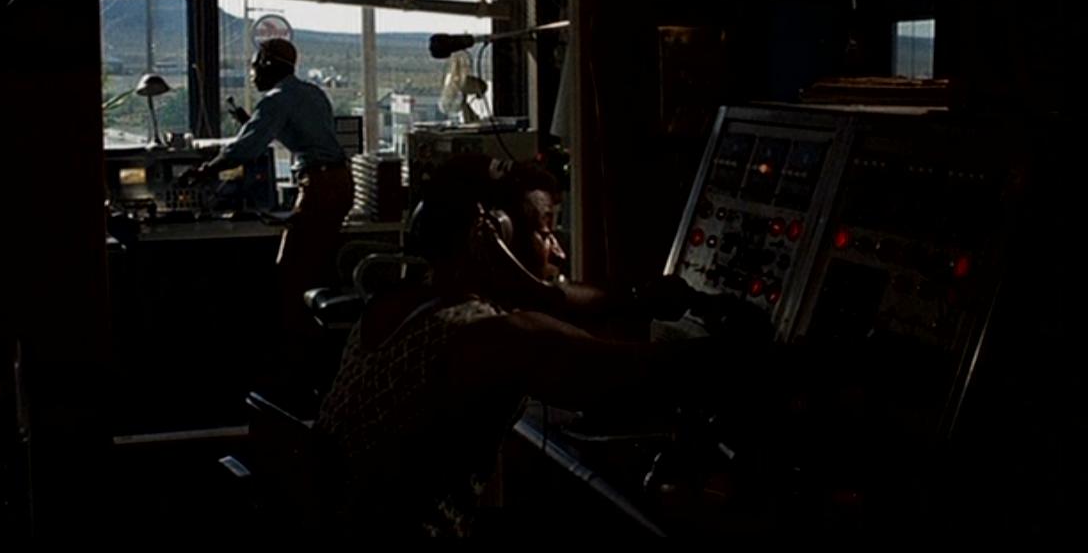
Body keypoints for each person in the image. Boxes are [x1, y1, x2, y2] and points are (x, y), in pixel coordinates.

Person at [316, 155, 769, 538]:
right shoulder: (485, 335)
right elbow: (632, 378)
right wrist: (762, 351)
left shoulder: (394, 306)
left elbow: (560, 298)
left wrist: (639, 298)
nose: (559, 251)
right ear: (494, 237)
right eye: (545, 231)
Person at [186, 38, 354, 354]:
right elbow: (304, 133)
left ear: (266, 64)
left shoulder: (276, 100)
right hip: (340, 181)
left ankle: (297, 353)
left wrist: (205, 171)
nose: (251, 75)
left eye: (253, 66)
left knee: (290, 269)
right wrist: (254, 124)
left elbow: (244, 150)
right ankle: (321, 348)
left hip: (320, 185)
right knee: (316, 264)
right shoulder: (312, 92)